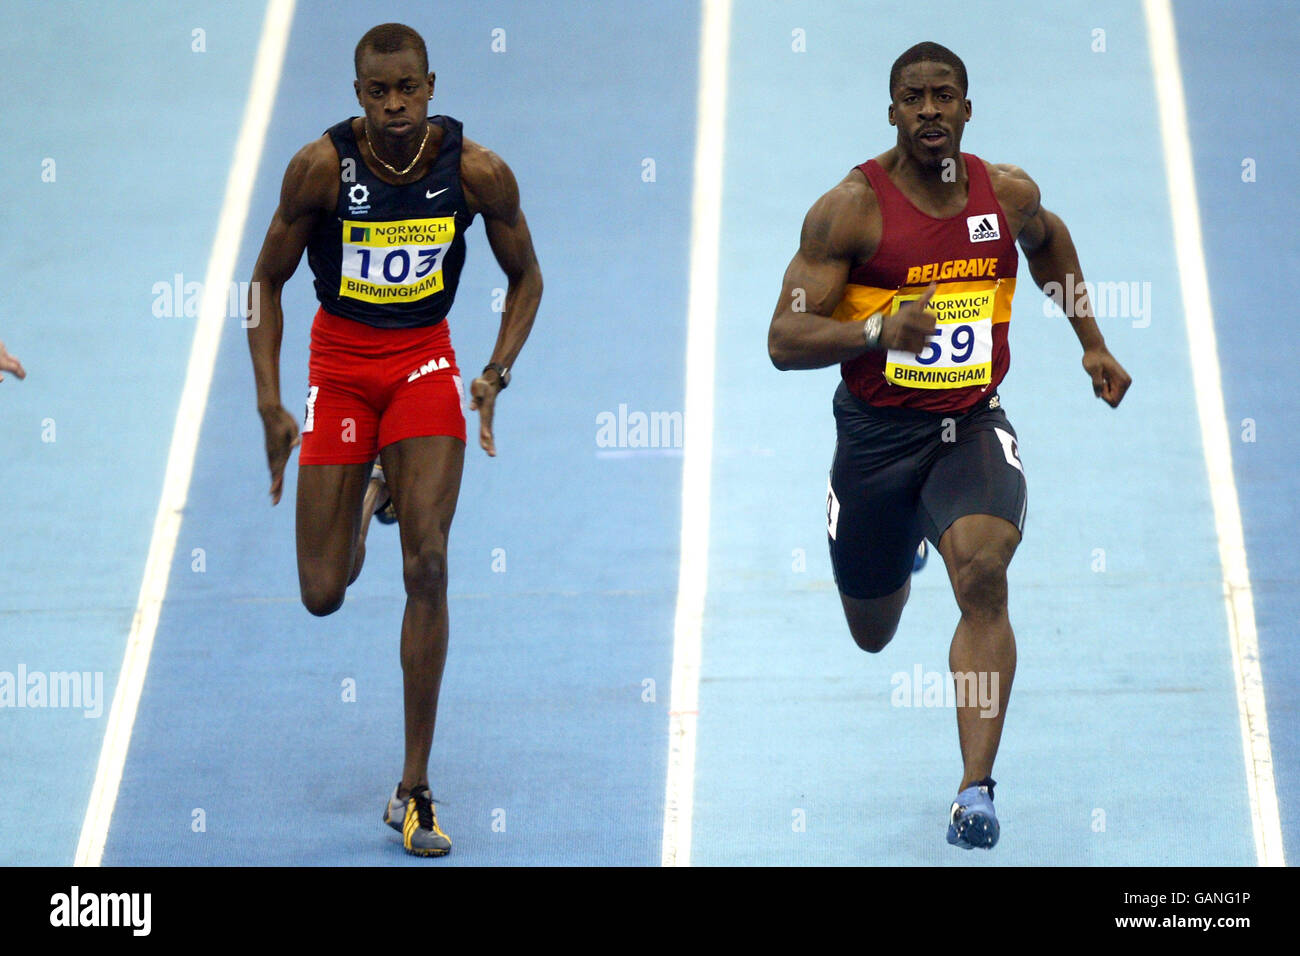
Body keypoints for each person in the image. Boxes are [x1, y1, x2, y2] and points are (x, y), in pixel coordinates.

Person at [767, 41, 1130, 849]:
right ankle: (902, 545)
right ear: (891, 111)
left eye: (944, 96)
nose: (930, 110)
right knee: (873, 630)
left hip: (968, 425)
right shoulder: (848, 211)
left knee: (986, 574)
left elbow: (1050, 244)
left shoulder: (1006, 194)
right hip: (873, 438)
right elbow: (784, 338)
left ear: (968, 108)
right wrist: (874, 328)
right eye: (913, 98)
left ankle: (975, 790)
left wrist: (1091, 343)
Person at [246, 22, 542, 857]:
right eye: (379, 93)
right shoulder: (320, 169)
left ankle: (413, 786)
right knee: (322, 590)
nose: (396, 105)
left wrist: (495, 372)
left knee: (430, 562)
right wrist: (271, 404)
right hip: (340, 369)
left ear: (431, 86)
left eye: (408, 88)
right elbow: (261, 284)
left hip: (422, 365)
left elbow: (528, 276)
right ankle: (373, 484)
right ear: (358, 96)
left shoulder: (476, 172)